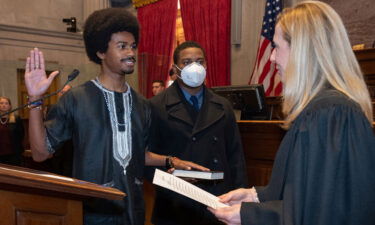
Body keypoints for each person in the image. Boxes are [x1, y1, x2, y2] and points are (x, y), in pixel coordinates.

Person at [24, 8, 206, 225]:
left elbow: (139, 154)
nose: (131, 53)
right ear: (100, 52)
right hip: (93, 213)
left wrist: (172, 161)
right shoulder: (76, 99)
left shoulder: (143, 105)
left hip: (134, 211)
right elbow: (40, 152)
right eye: (122, 46)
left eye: (133, 46)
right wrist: (35, 100)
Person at [208, 1, 375, 225]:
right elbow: (309, 190)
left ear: (302, 51)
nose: (272, 58)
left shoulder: (331, 114)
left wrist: (248, 215)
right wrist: (254, 196)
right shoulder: (324, 110)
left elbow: (324, 214)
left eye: (277, 46)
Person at [149, 41, 248, 225]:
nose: (194, 67)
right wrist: (170, 178)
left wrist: (240, 198)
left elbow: (235, 156)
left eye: (199, 61)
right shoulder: (156, 106)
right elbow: (147, 158)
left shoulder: (223, 105)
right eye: (187, 62)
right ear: (175, 68)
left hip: (218, 201)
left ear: (206, 66)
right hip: (175, 203)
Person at [0, 96, 24, 166]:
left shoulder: (16, 118)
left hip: (13, 154)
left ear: (10, 106)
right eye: (1, 103)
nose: (3, 105)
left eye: (6, 103)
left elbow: (21, 135)